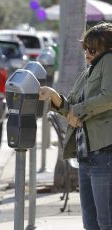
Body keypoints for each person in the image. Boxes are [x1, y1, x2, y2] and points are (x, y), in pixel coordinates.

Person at [39, 22, 112, 230]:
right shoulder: (88, 72)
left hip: (104, 153)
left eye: (92, 49)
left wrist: (77, 110)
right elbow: (71, 107)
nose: (87, 54)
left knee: (105, 222)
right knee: (91, 222)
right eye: (86, 49)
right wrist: (53, 96)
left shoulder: (108, 61)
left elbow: (109, 97)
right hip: (87, 154)